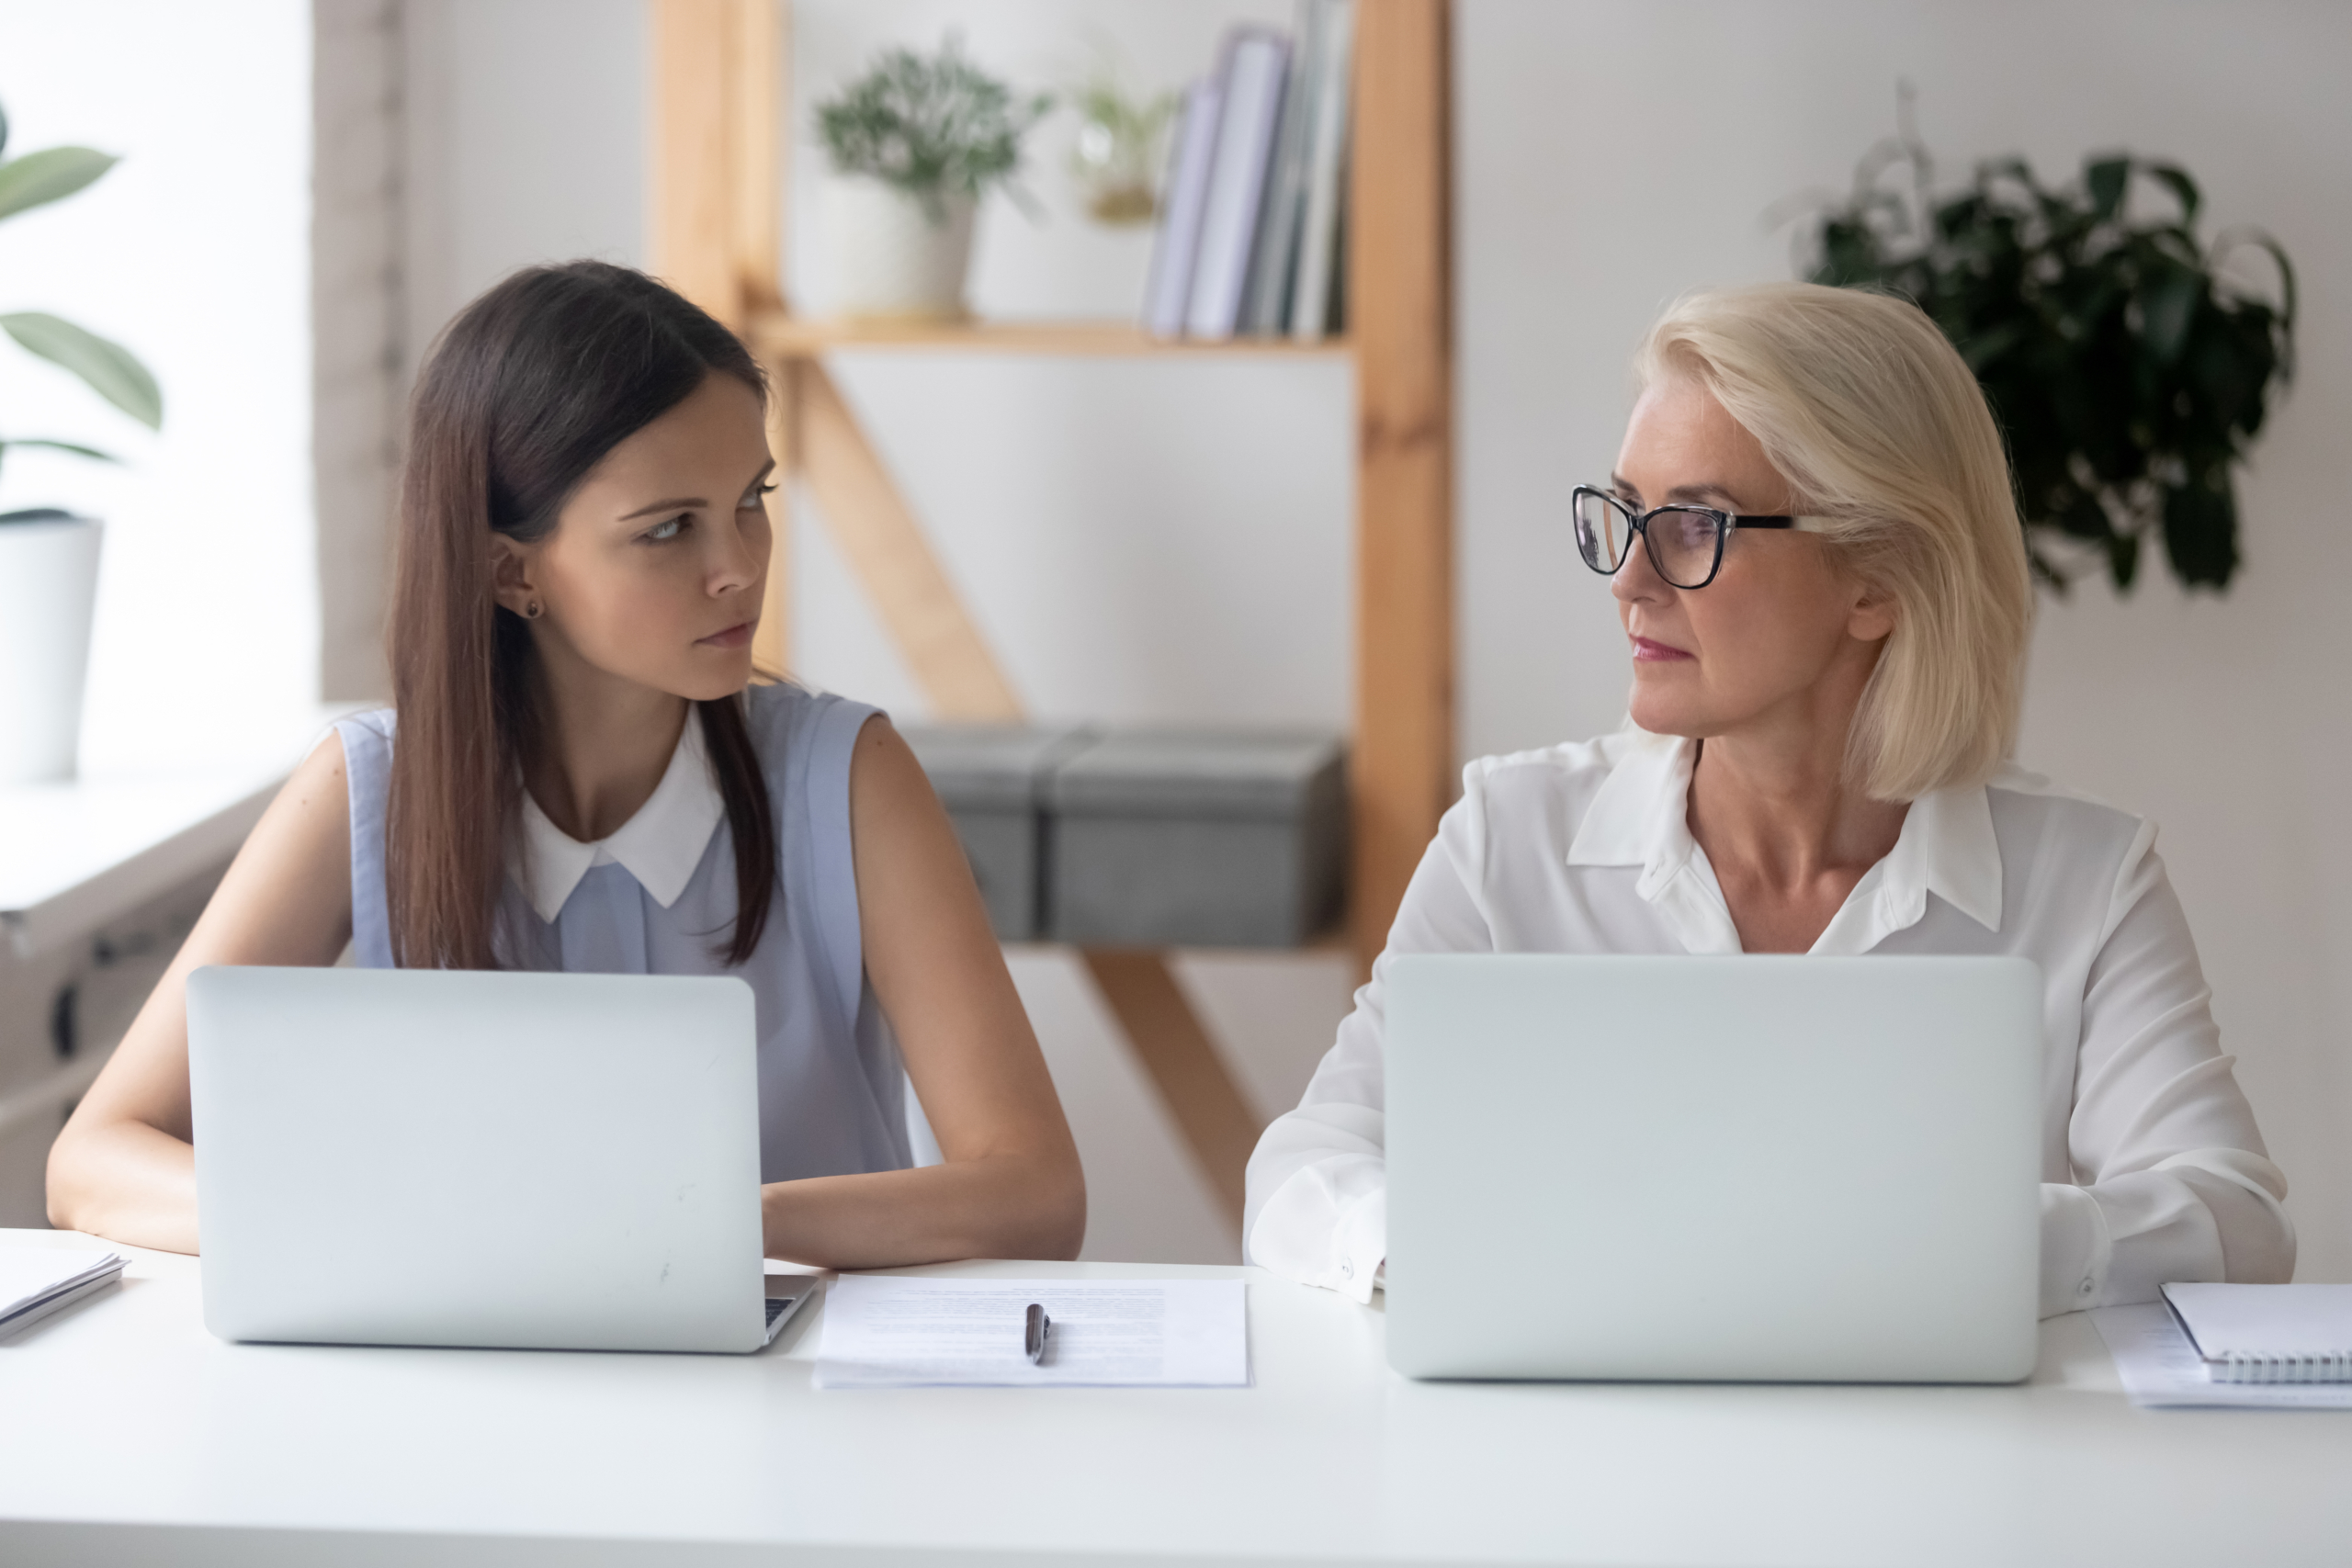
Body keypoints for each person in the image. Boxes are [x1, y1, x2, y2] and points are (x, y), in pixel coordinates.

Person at [1246, 282, 2292, 1316]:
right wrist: (1452, 1251)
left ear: (1877, 579)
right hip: (1576, 1464)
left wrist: (1961, 1241)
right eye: (1625, 513)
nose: (1628, 581)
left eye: (1694, 525)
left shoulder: (2085, 882)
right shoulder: (1506, 843)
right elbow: (1304, 1169)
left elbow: (2234, 1221)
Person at [47, 261, 1086, 1266]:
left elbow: (1034, 1192)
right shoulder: (363, 788)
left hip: (806, 1406)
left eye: (751, 502)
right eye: (669, 529)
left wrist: (718, 1221)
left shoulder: (847, 775)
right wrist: (354, 1220)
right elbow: (93, 1166)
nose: (739, 568)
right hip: (475, 1406)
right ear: (511, 570)